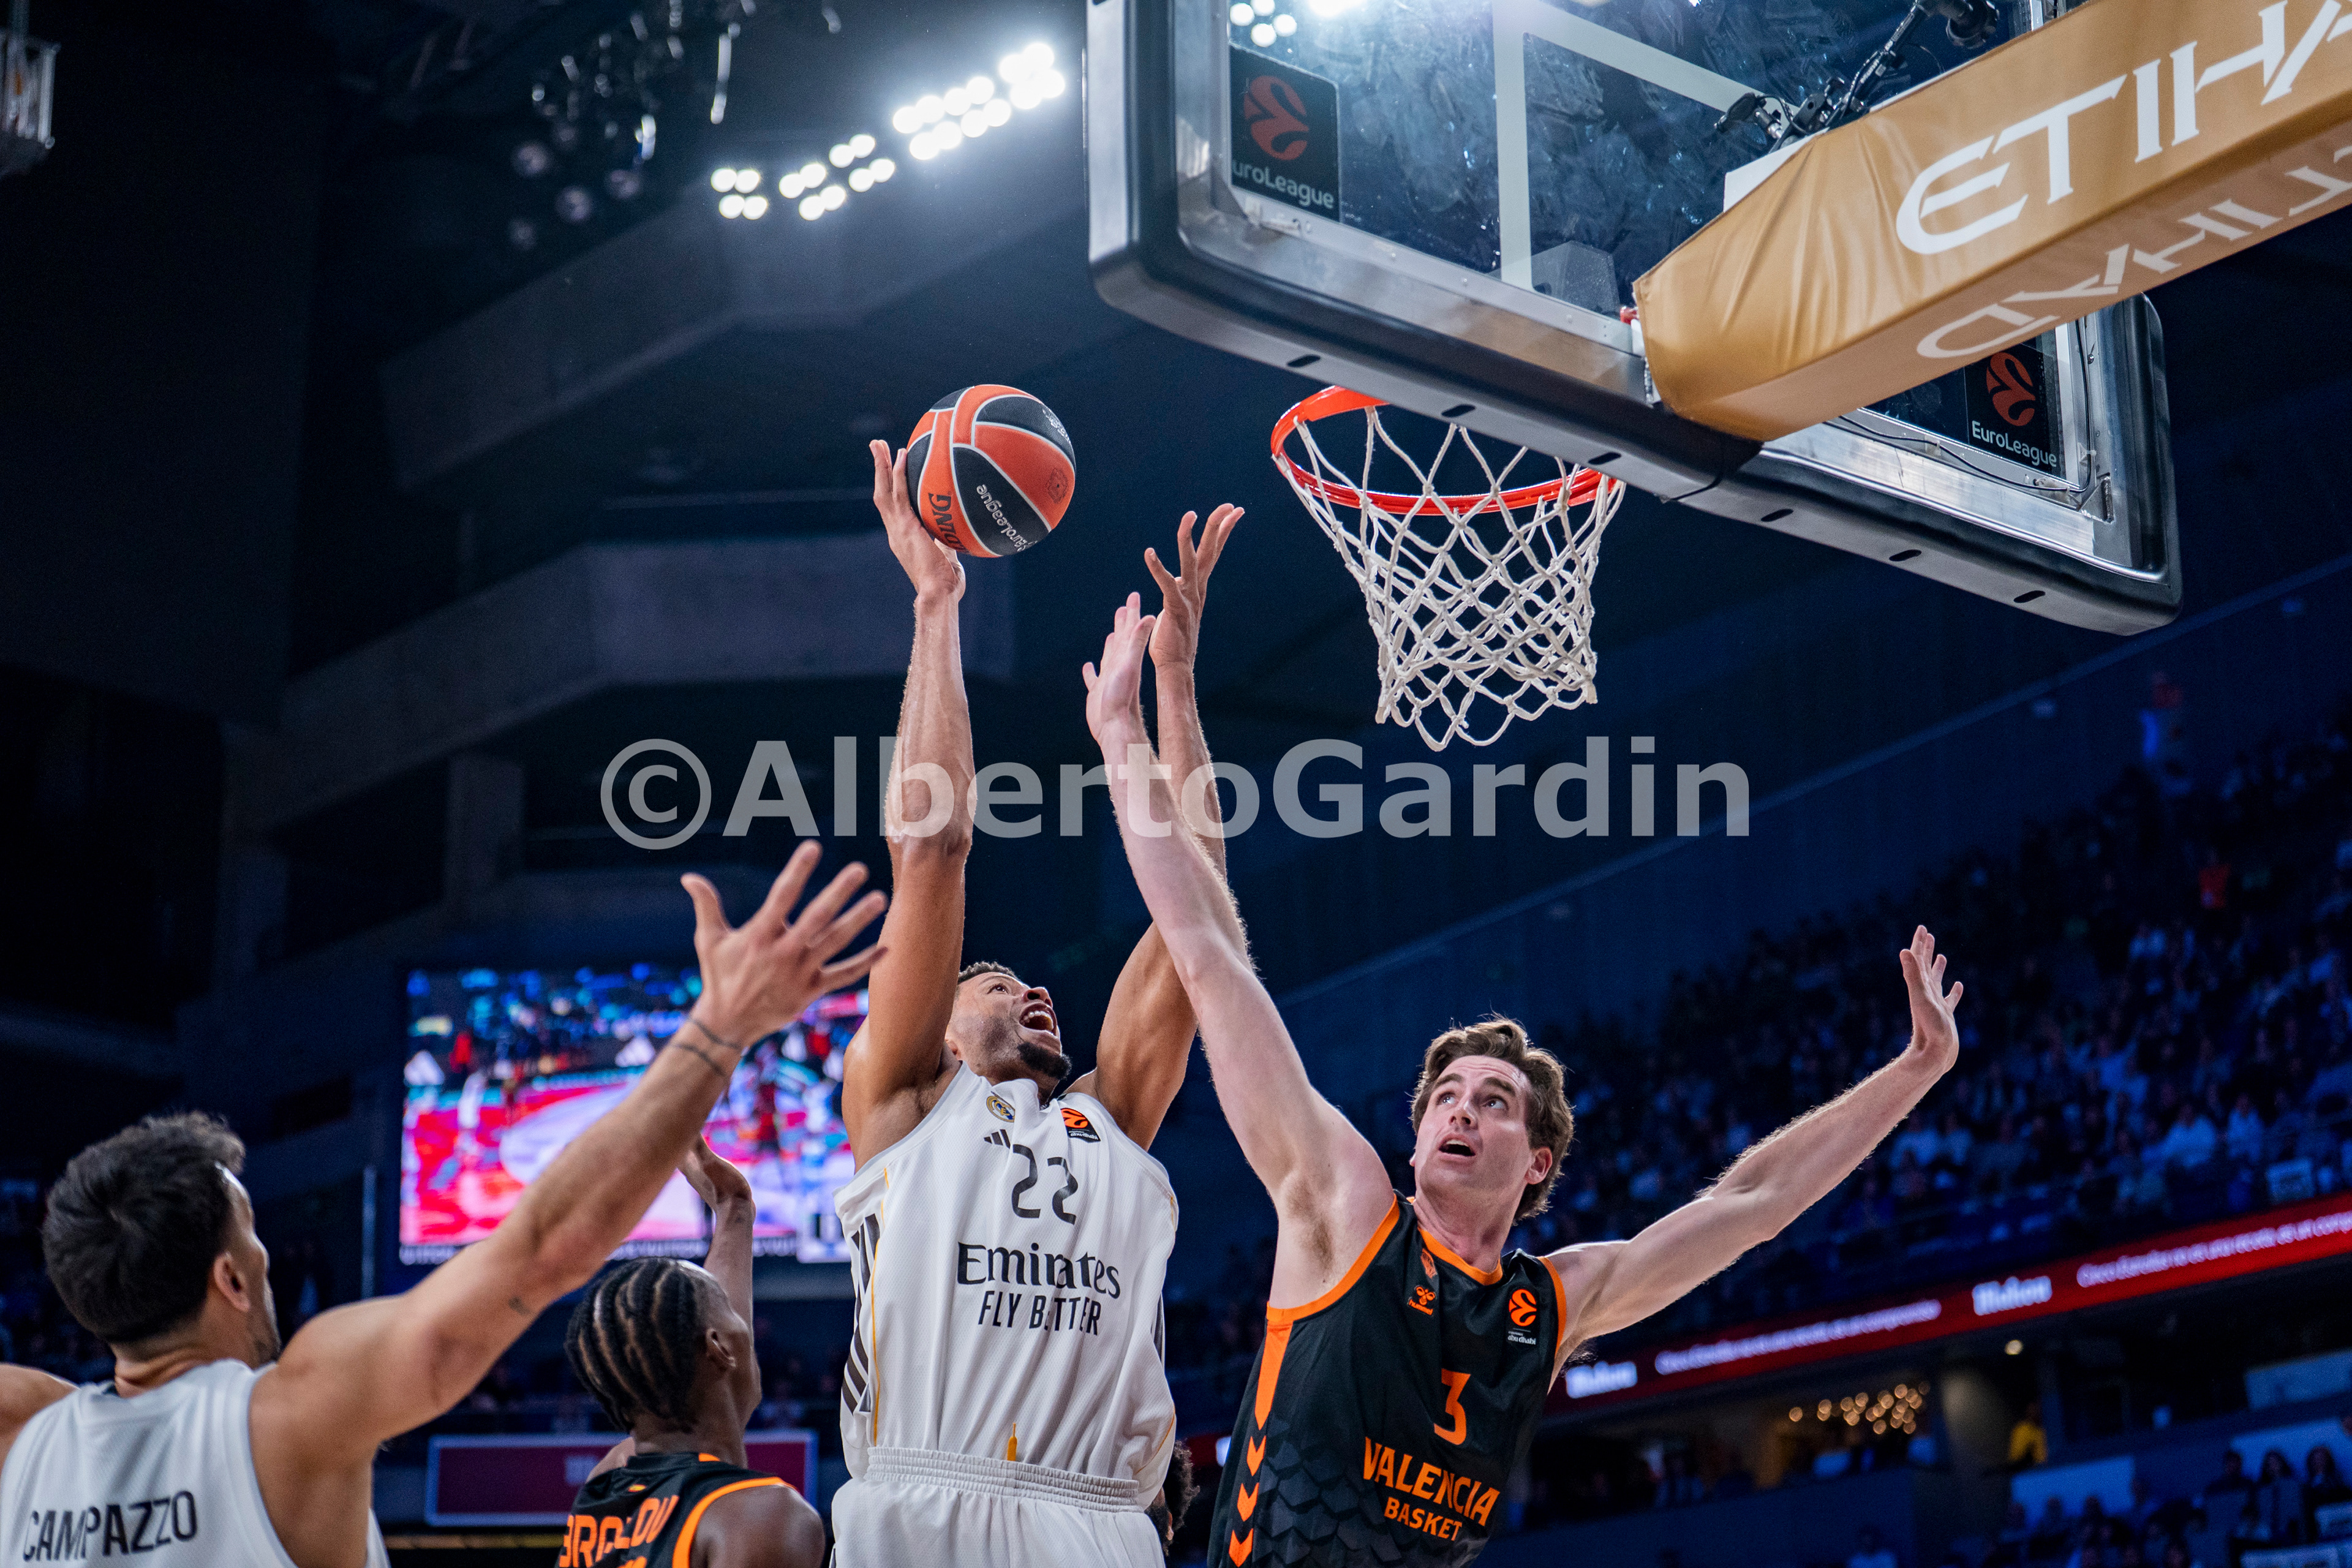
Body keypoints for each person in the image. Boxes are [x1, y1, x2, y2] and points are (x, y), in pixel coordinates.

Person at [1077, 594, 1969, 1566]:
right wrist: (1132, 722)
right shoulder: (1347, 1207)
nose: (1460, 1109)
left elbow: (1754, 1202)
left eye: (1492, 1101)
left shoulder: (1553, 1304)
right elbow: (1208, 956)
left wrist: (1917, 1068)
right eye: (1446, 1098)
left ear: (1539, 1161)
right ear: (1419, 1135)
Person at [0, 845, 882, 1568]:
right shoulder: (288, 1420)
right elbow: (542, 1245)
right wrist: (720, 1028)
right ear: (231, 1278)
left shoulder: (24, 1430)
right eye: (255, 1240)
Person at [827, 440, 1242, 1565]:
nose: (1033, 990)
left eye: (1026, 983)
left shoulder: (1109, 1122)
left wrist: (1173, 688)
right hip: (923, 1505)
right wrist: (936, 606)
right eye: (995, 986)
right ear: (937, 1033)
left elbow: (1199, 919)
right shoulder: (904, 1107)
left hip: (1097, 1522)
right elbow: (932, 847)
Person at [557, 1137, 826, 1568]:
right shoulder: (761, 1518)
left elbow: (711, 1383)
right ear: (718, 1350)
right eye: (734, 1319)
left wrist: (734, 1207)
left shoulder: (611, 1481)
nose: (745, 1322)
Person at [2010, 1400, 2050, 1469]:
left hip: (2046, 1469)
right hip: (2029, 1470)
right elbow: (2017, 1457)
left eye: (2038, 1409)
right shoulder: (2023, 1430)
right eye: (2033, 1410)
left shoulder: (2043, 1430)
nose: (2036, 1412)